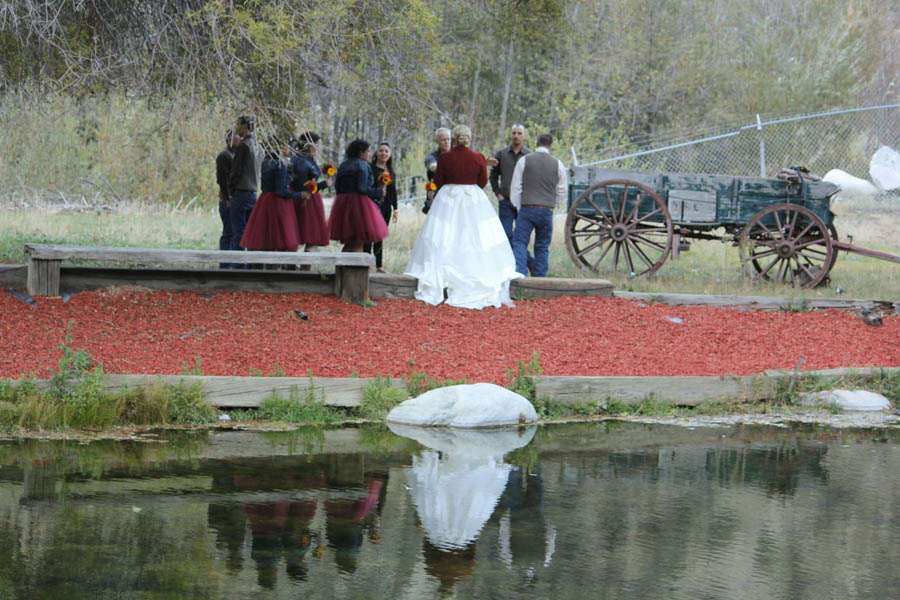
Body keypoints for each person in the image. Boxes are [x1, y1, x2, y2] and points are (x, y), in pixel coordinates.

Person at [404, 125, 522, 309]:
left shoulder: (445, 158)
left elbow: (439, 180)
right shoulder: (477, 157)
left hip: (448, 197)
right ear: (469, 138)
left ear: (455, 139)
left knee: (445, 233)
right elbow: (482, 182)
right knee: (475, 235)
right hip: (472, 197)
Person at [509, 133, 568, 277]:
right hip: (546, 210)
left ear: (536, 144)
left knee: (520, 242)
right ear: (550, 145)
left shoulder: (524, 161)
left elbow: (516, 188)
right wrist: (552, 204)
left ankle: (520, 275)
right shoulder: (558, 164)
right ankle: (540, 279)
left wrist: (519, 206)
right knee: (542, 246)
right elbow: (562, 190)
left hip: (527, 208)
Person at [240, 139, 305, 255]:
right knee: (276, 241)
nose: (289, 149)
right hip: (277, 204)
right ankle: (274, 271)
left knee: (265, 240)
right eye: (287, 147)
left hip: (264, 201)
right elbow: (281, 191)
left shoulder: (265, 162)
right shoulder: (280, 165)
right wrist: (299, 195)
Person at [328, 139, 389, 253]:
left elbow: (337, 187)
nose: (370, 154)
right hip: (359, 205)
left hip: (342, 204)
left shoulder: (343, 165)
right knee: (358, 242)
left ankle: (342, 269)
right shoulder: (363, 165)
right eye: (368, 151)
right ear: (361, 152)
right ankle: (357, 270)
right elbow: (362, 188)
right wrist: (379, 192)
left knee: (349, 243)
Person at [227, 115, 264, 266]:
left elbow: (236, 171)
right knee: (250, 234)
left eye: (239, 126)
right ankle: (250, 266)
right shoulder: (259, 147)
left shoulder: (244, 146)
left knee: (238, 234)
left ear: (246, 126)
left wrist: (230, 190)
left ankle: (236, 268)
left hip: (241, 192)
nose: (237, 129)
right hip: (253, 193)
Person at [290, 131, 331, 264]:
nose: (319, 148)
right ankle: (299, 271)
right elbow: (303, 186)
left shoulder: (304, 159)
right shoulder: (302, 161)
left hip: (309, 200)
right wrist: (324, 184)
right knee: (309, 236)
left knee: (306, 237)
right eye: (317, 145)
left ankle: (299, 269)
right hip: (305, 201)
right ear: (310, 145)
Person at [489, 124, 531, 244]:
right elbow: (493, 176)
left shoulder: (529, 155)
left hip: (523, 202)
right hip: (505, 201)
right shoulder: (501, 154)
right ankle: (515, 260)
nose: (516, 136)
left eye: (519, 133)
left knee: (521, 235)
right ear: (510, 135)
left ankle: (520, 261)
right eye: (514, 133)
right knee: (505, 235)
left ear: (524, 136)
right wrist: (498, 194)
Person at [363, 141, 398, 273]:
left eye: (386, 151)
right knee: (368, 235)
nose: (383, 153)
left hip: (385, 208)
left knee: (379, 235)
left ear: (390, 155)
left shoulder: (391, 172)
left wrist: (396, 209)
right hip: (371, 205)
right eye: (381, 150)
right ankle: (365, 264)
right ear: (377, 153)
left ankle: (379, 266)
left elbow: (393, 192)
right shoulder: (369, 168)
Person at [216, 128, 240, 267]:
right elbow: (222, 180)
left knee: (234, 233)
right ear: (229, 139)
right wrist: (228, 198)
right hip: (228, 201)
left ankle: (232, 264)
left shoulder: (236, 154)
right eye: (236, 137)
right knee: (228, 233)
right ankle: (225, 266)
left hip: (234, 199)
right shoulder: (224, 156)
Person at [422, 127, 451, 214]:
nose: (447, 142)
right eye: (443, 140)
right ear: (437, 142)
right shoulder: (431, 157)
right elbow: (433, 167)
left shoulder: (455, 154)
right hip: (436, 195)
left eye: (448, 139)